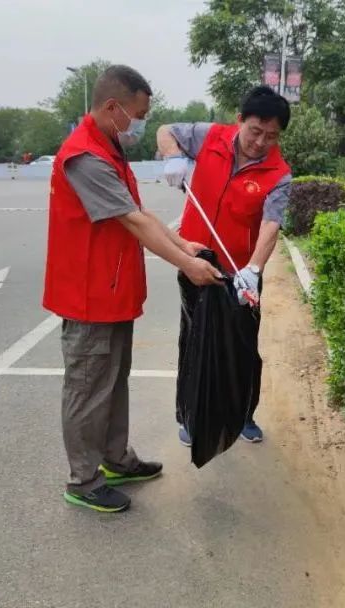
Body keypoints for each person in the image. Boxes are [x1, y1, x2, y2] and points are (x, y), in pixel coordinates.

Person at [43, 65, 221, 513]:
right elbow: (134, 222)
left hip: (112, 292)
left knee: (112, 381)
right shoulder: (83, 156)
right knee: (87, 388)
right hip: (88, 297)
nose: (140, 124)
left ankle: (115, 458)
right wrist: (186, 264)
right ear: (111, 108)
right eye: (138, 115)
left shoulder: (109, 150)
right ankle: (83, 479)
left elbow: (138, 211)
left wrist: (183, 242)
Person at [157, 86, 292, 446]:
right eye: (255, 131)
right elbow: (165, 130)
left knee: (242, 345)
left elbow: (270, 225)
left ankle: (243, 414)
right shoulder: (210, 137)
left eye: (271, 136)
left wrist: (254, 269)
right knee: (194, 340)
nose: (261, 141)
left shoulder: (279, 173)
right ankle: (191, 414)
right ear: (240, 121)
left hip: (241, 272)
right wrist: (173, 156)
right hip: (195, 260)